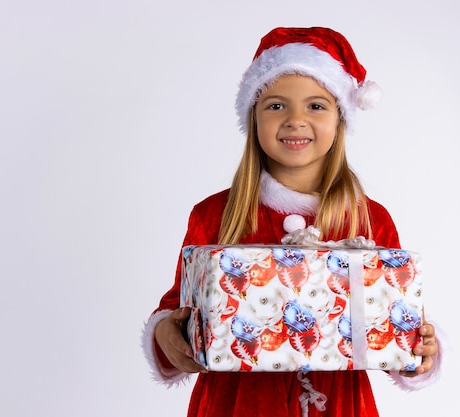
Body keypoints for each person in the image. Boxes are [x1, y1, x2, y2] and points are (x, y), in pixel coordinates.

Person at [141, 27, 444, 417]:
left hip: (338, 402)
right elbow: (178, 305)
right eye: (276, 106)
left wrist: (421, 351)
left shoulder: (369, 219)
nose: (295, 120)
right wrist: (166, 332)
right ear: (253, 118)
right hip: (236, 402)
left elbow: (397, 317)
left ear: (340, 119)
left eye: (316, 106)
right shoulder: (214, 214)